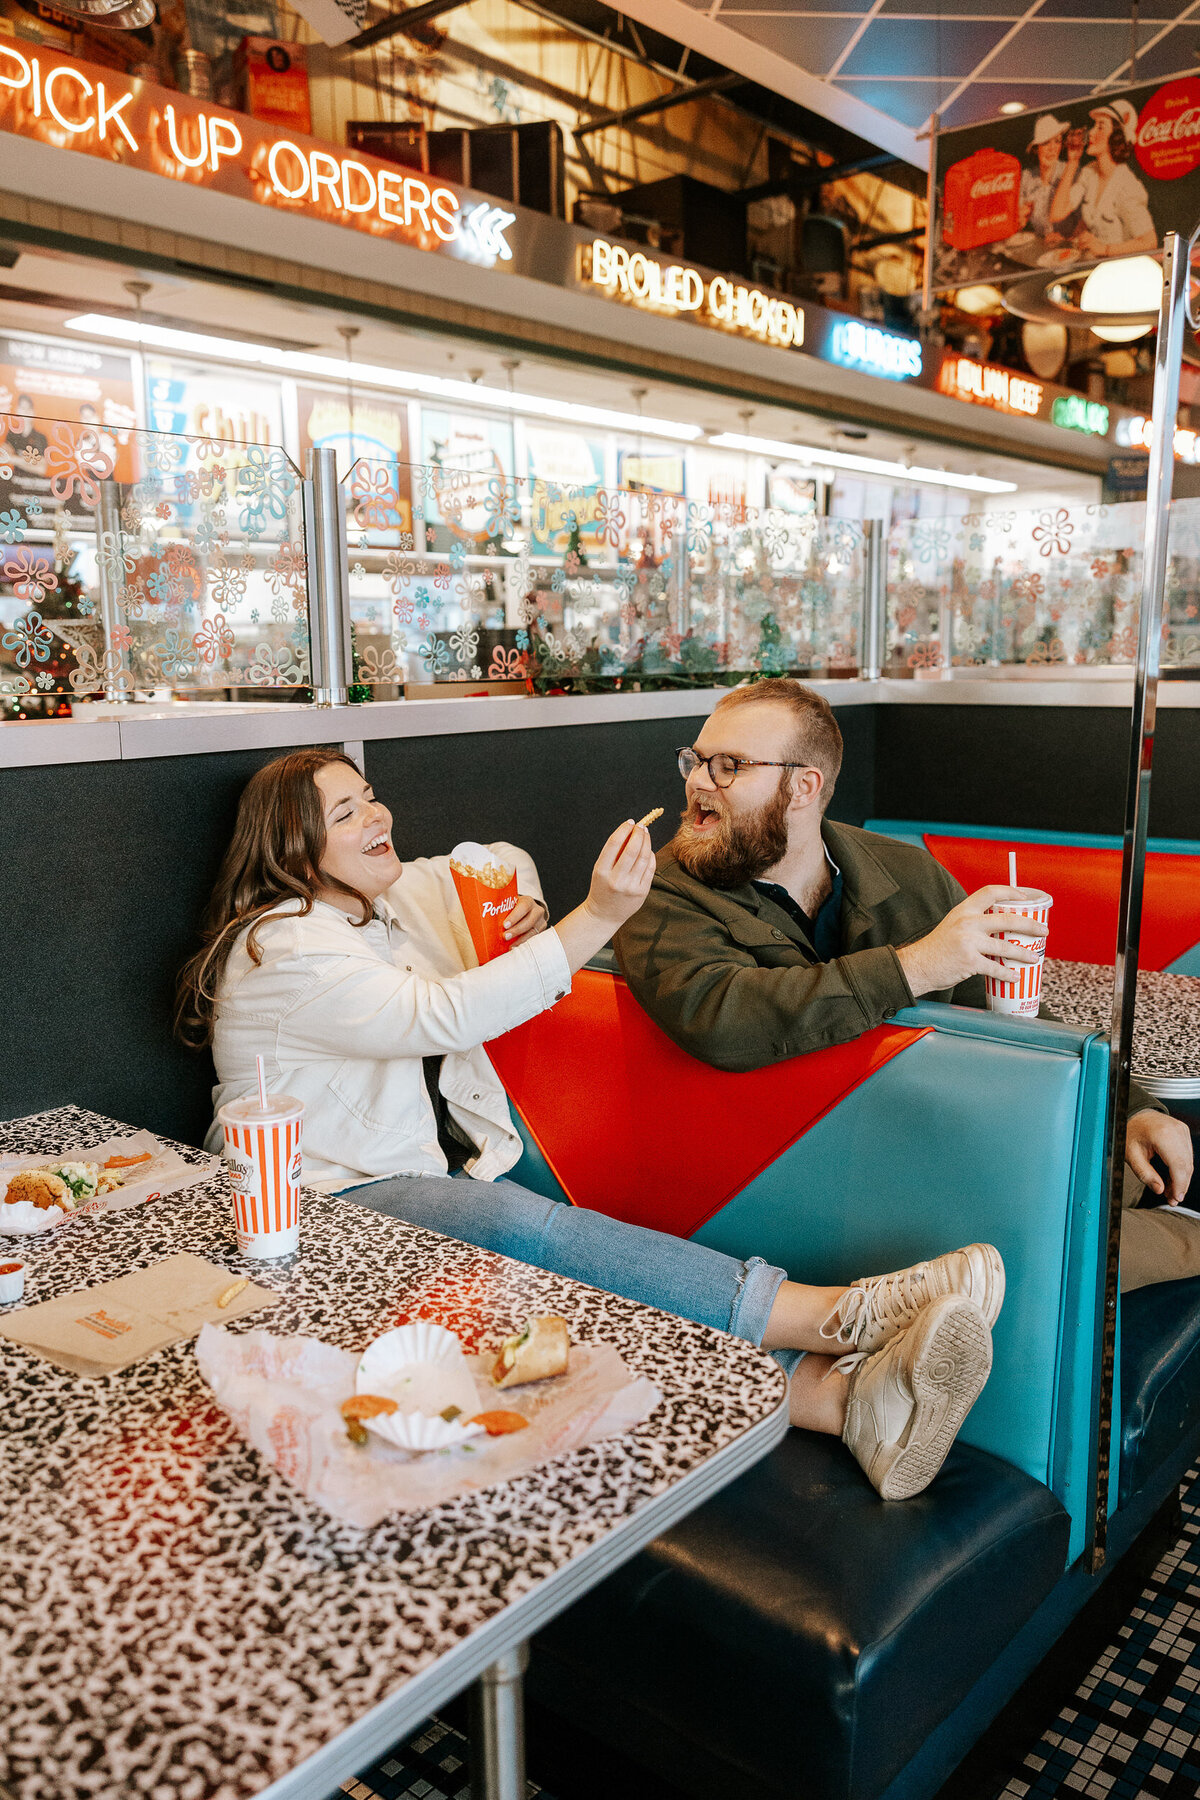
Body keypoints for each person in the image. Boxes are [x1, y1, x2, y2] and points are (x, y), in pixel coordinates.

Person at [177, 748, 1004, 1501]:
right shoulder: (280, 948)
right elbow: (443, 1016)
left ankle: (838, 1400)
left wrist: (527, 907)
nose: (378, 817)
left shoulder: (377, 907)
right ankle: (838, 1317)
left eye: (372, 796)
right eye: (346, 813)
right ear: (290, 849)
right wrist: (598, 915)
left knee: (543, 1266)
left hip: (406, 1186)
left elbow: (487, 861)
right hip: (311, 1209)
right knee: (522, 1231)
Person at [613, 679, 1195, 1293]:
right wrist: (917, 965)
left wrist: (1129, 1111)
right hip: (782, 1180)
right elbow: (722, 1016)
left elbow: (1009, 1014)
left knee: (1130, 1164)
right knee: (1045, 1252)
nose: (699, 781)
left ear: (803, 787)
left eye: (729, 766)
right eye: (696, 760)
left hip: (930, 1144)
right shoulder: (652, 893)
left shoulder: (904, 871)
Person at [1049, 100, 1155, 261]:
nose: (1091, 133)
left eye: (1100, 126)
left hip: (1122, 270)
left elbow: (1149, 242)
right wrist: (1073, 162)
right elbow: (1057, 214)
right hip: (1092, 267)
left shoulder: (1127, 186)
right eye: (1094, 126)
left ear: (1116, 137)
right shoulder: (1089, 172)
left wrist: (1105, 249)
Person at [1018, 114, 1072, 240]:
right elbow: (1018, 218)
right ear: (1036, 149)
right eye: (1046, 142)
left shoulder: (1069, 172)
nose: (1052, 148)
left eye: (1057, 141)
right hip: (1042, 249)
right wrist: (1020, 217)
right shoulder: (1027, 177)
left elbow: (1084, 219)